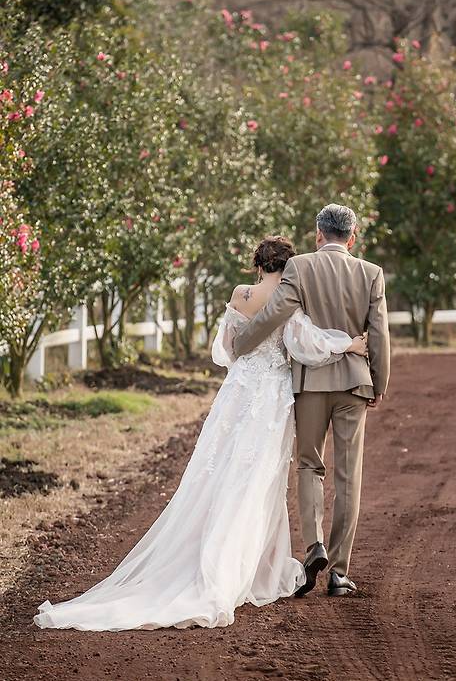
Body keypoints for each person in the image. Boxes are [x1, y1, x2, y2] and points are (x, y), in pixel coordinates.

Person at [34, 235, 368, 631]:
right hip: (271, 399)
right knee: (259, 482)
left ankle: (215, 557)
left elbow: (225, 349)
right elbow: (306, 346)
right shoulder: (288, 300)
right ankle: (249, 568)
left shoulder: (240, 294)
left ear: (258, 265)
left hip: (238, 393)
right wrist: (350, 344)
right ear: (287, 267)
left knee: (217, 475)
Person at [233, 203, 390, 598]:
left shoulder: (300, 267)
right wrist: (379, 382)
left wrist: (241, 344)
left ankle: (313, 545)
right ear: (352, 238)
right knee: (348, 475)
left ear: (319, 234)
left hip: (310, 383)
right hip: (355, 383)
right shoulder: (371, 274)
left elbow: (273, 314)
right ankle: (338, 572)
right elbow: (379, 333)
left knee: (309, 466)